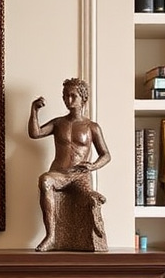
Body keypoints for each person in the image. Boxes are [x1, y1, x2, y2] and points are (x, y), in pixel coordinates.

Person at [28, 78, 110, 251]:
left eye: (73, 96)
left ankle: (94, 206)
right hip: (59, 173)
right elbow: (35, 133)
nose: (68, 100)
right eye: (65, 96)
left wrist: (93, 166)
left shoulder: (91, 127)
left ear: (83, 98)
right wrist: (34, 110)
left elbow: (106, 155)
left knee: (89, 198)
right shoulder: (59, 123)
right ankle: (51, 236)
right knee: (45, 180)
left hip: (80, 175)